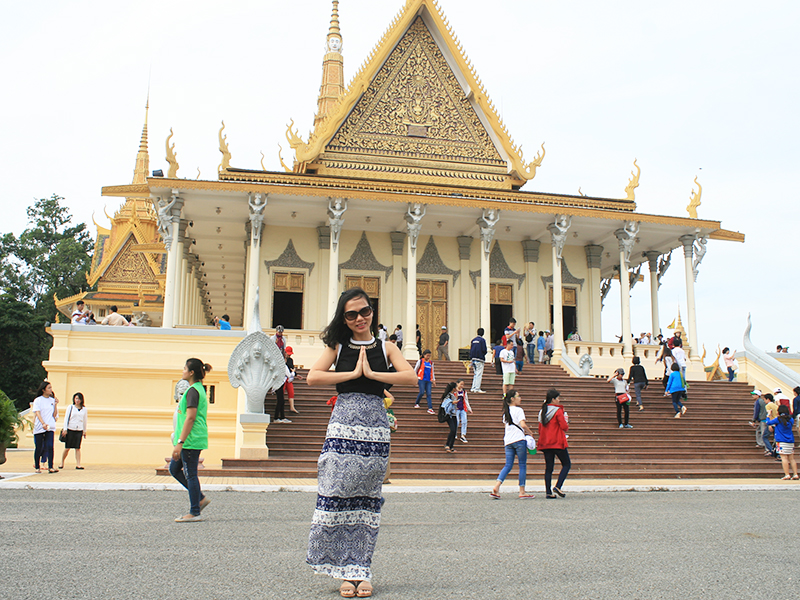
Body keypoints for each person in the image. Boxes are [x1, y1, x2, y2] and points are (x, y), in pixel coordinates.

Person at [305, 287, 416, 598]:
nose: (359, 318)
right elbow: (312, 377)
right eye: (351, 314)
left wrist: (374, 373)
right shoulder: (338, 346)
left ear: (372, 312)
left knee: (368, 499)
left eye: (364, 311)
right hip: (343, 424)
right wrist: (354, 372)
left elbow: (412, 378)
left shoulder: (387, 346)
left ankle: (361, 569)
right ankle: (342, 570)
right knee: (335, 494)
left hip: (374, 426)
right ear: (344, 317)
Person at [169, 358, 212, 522]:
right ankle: (199, 498)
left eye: (184, 368)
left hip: (190, 440)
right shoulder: (195, 389)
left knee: (191, 474)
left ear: (191, 372)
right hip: (190, 439)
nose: (183, 371)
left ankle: (195, 511)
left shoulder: (193, 391)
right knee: (174, 469)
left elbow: (191, 418)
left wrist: (180, 443)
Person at [490, 391, 535, 499]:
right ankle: (522, 491)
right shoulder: (519, 410)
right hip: (519, 439)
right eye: (518, 396)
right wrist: (530, 432)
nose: (520, 398)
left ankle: (497, 486)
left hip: (508, 441)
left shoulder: (506, 411)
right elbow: (523, 425)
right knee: (522, 465)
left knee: (508, 465)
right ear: (512, 399)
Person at [538, 388, 571, 498]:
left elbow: (539, 428)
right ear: (553, 399)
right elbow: (564, 427)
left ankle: (548, 492)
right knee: (566, 464)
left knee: (549, 468)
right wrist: (566, 421)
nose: (559, 400)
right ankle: (558, 486)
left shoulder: (542, 411)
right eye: (558, 398)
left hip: (545, 442)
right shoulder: (558, 411)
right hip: (557, 441)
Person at [32, 381, 59, 473]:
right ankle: (37, 466)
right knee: (39, 447)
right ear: (43, 390)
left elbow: (54, 415)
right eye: (49, 388)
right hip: (40, 427)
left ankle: (50, 466)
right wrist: (43, 423)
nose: (51, 390)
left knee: (50, 446)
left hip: (50, 426)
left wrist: (55, 405)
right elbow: (37, 413)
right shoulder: (38, 400)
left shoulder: (52, 401)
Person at [765, 405, 798, 479]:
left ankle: (787, 474)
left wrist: (769, 415)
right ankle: (795, 474)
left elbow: (768, 422)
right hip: (790, 440)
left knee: (784, 458)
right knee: (791, 458)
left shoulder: (778, 419)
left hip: (781, 440)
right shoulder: (791, 419)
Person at [58, 392, 87, 469]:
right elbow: (66, 418)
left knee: (77, 448)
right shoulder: (70, 407)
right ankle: (62, 462)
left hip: (79, 429)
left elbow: (85, 420)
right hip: (70, 429)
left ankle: (78, 464)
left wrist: (84, 430)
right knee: (67, 447)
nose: (77, 400)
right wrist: (65, 429)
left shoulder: (84, 409)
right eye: (76, 398)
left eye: (79, 399)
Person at [751, 390, 773, 455]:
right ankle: (761, 443)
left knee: (764, 434)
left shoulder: (758, 402)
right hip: (765, 419)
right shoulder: (763, 401)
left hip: (763, 419)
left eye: (754, 394)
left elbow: (756, 411)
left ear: (758, 395)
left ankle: (767, 448)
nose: (753, 396)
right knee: (758, 431)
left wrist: (754, 420)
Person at [440, 382, 459, 453]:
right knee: (453, 430)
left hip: (454, 414)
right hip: (449, 415)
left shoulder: (453, 394)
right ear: (453, 388)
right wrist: (452, 402)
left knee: (455, 430)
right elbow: (445, 403)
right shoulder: (448, 395)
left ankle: (451, 446)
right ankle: (447, 444)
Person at [469, 328, 487, 393]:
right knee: (479, 374)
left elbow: (471, 349)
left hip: (473, 359)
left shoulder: (473, 340)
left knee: (475, 374)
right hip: (479, 359)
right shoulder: (482, 340)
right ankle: (477, 388)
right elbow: (484, 350)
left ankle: (473, 387)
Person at [285, 346, 302, 414]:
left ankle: (292, 407)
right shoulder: (281, 359)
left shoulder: (290, 360)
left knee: (291, 392)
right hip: (283, 378)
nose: (289, 355)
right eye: (288, 354)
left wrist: (296, 374)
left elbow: (292, 368)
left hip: (289, 378)